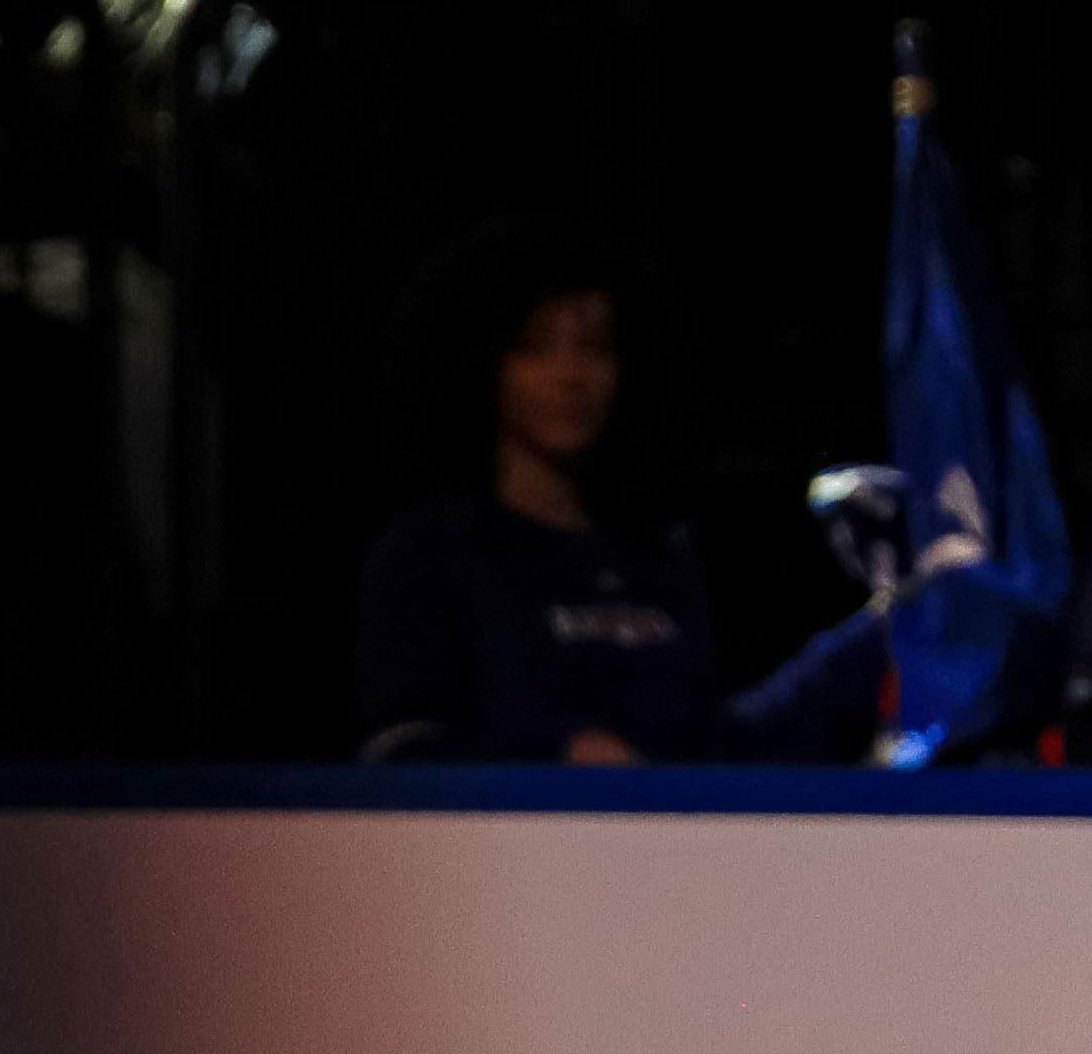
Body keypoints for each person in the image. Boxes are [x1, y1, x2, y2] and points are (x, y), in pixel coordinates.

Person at [356, 232, 884, 763]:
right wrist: (559, 753)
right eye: (534, 348)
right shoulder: (430, 554)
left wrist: (876, 635)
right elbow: (401, 748)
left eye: (594, 347)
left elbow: (715, 748)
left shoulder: (656, 559)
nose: (570, 376)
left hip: (660, 844)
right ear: (480, 364)